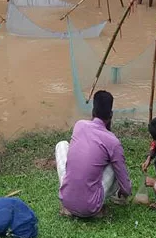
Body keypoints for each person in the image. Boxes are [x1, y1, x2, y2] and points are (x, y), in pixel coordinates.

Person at [55, 90, 132, 218]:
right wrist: (125, 192)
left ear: (93, 111)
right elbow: (126, 187)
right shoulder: (113, 141)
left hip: (66, 201)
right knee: (115, 163)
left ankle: (72, 194)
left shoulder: (79, 125)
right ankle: (116, 199)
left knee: (62, 145)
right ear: (111, 115)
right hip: (90, 207)